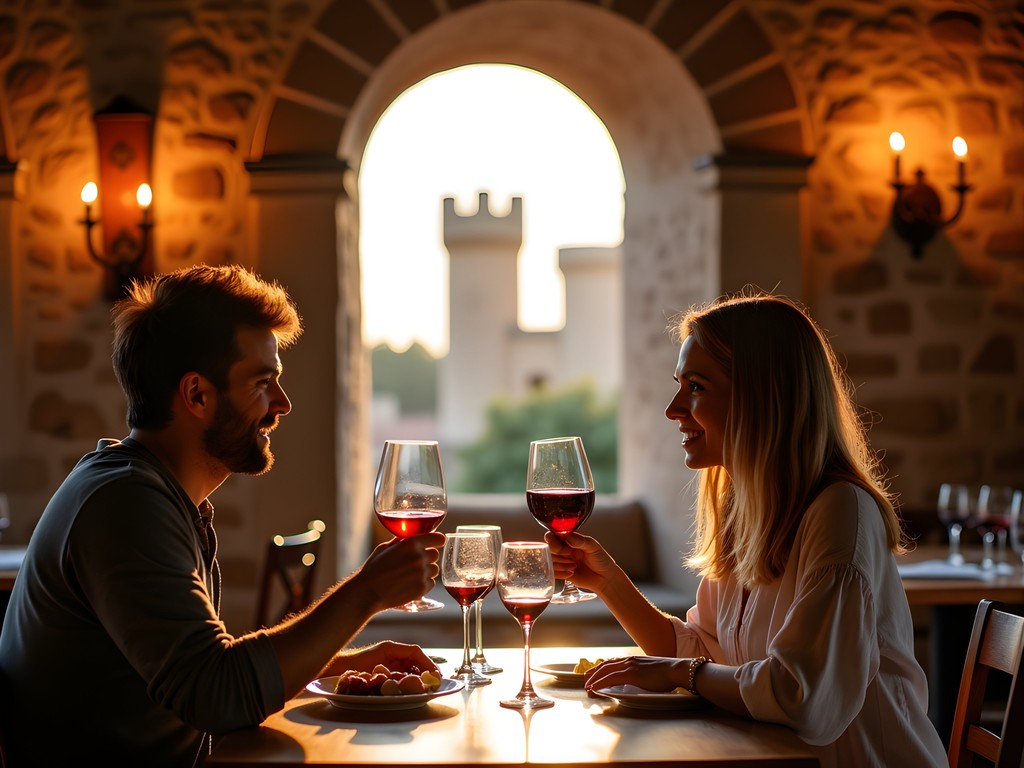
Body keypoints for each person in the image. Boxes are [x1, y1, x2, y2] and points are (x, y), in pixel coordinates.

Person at [0, 264, 445, 767]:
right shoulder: (125, 505)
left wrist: (342, 665)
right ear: (196, 395)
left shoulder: (150, 492)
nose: (283, 403)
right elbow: (218, 696)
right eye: (262, 382)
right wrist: (366, 592)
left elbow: (205, 667)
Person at [546, 293, 947, 767]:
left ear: (763, 394)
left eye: (695, 386)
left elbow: (805, 698)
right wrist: (609, 582)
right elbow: (704, 654)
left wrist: (683, 672)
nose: (674, 408)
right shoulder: (747, 509)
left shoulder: (840, 511)